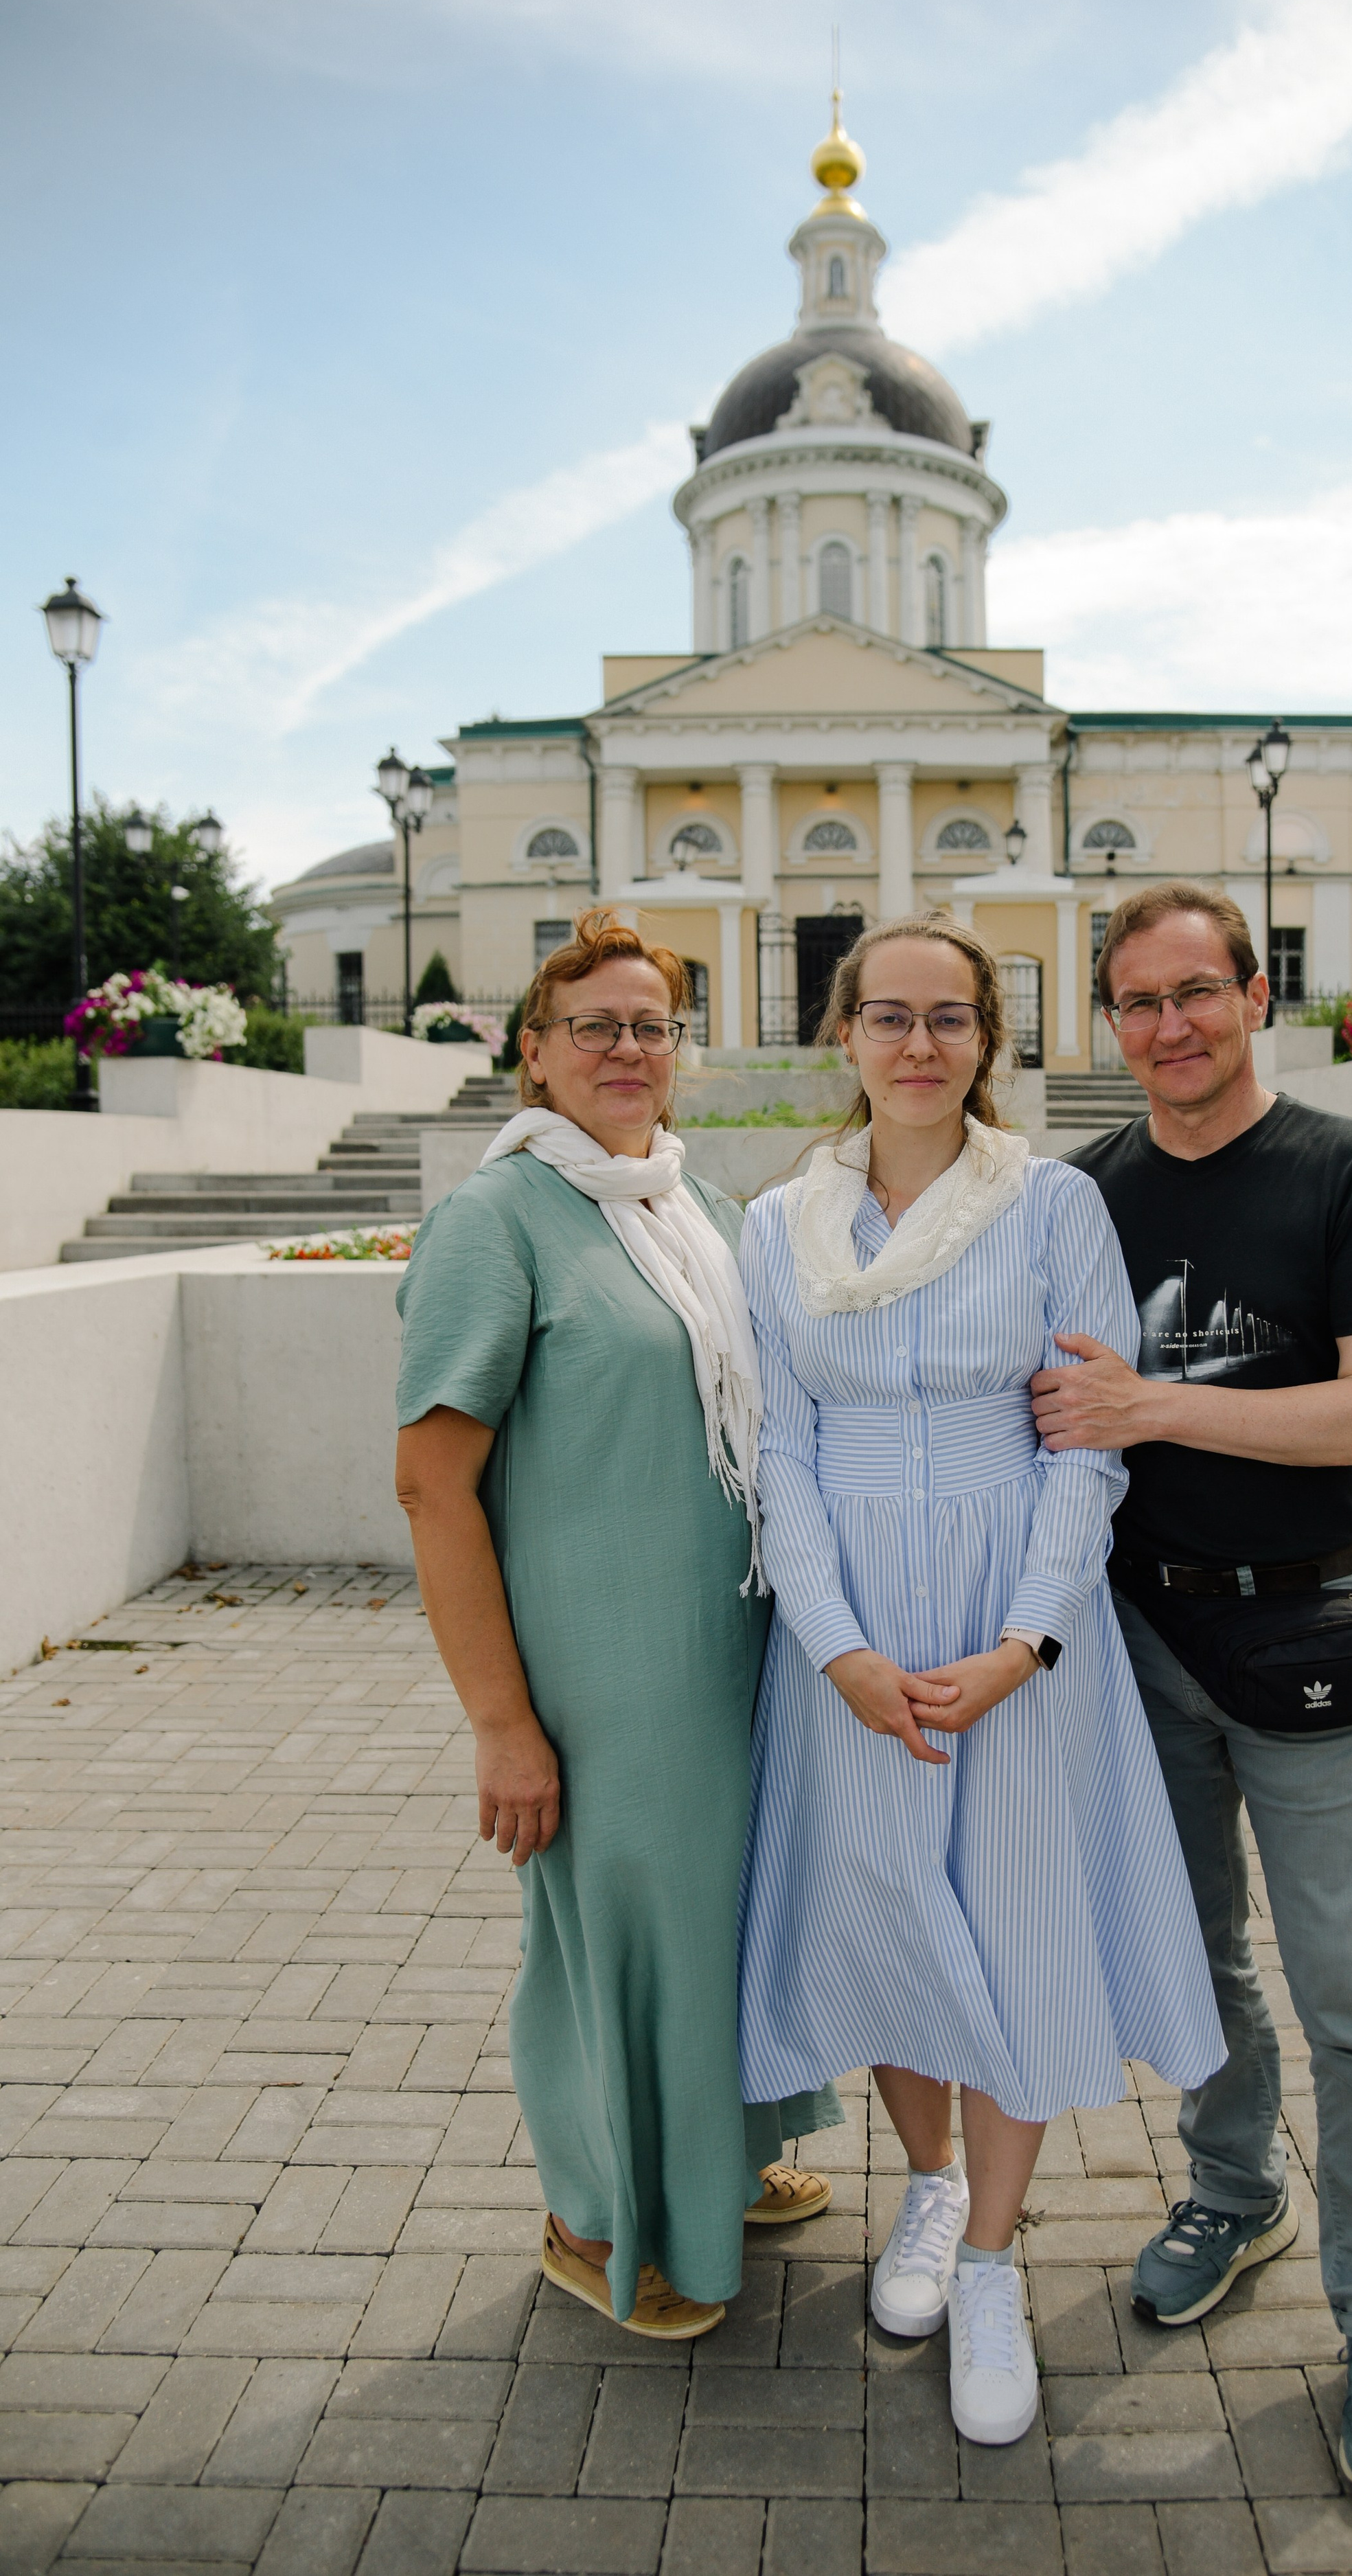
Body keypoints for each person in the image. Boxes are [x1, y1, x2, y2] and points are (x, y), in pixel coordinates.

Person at [736, 914, 1226, 2448]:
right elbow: (781, 1456)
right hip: (854, 1618)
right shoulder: (776, 1225)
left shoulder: (1050, 1204)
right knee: (882, 1905)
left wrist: (1027, 1640)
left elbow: (1087, 1436)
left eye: (951, 1019)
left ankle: (998, 2262)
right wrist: (835, 1649)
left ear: (988, 1045)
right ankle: (931, 2188)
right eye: (889, 1015)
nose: (918, 1045)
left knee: (1011, 1921)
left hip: (1016, 1613)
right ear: (844, 1034)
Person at [1032, 878, 1352, 2499]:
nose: (1166, 1027)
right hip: (1138, 1643)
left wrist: (1154, 1409)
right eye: (1134, 1003)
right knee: (1190, 1961)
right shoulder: (1086, 1192)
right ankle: (1230, 2187)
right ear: (1109, 1021)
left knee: (1350, 1990)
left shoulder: (1347, 1169)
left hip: (1302, 1640)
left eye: (1192, 992)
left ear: (1252, 990)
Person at [394, 910, 841, 2342]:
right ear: (533, 1052)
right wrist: (500, 1721)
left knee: (718, 1919)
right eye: (594, 1024)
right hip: (603, 1670)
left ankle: (718, 2158)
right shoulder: (496, 1218)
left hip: (729, 1652)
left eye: (651, 1024)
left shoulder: (695, 1213)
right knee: (611, 1941)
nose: (628, 1049)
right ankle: (597, 2219)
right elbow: (430, 1482)